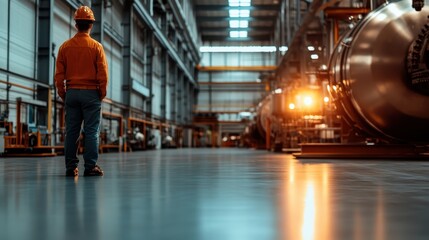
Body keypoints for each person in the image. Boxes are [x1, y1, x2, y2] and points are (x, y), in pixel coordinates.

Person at [55, 6, 108, 177]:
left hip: (72, 93)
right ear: (91, 25)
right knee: (91, 131)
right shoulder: (96, 47)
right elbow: (103, 74)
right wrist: (102, 92)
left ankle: (71, 167)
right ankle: (90, 167)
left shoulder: (65, 47)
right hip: (91, 93)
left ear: (76, 24)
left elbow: (59, 74)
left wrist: (63, 92)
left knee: (71, 131)